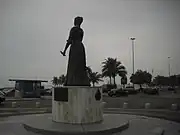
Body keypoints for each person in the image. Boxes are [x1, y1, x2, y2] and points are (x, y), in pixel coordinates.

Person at [60, 16, 90, 86]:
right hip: (81, 47)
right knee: (81, 65)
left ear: (75, 21)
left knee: (73, 65)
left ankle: (71, 81)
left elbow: (70, 40)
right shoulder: (81, 31)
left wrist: (64, 51)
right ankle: (82, 81)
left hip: (74, 47)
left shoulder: (73, 29)